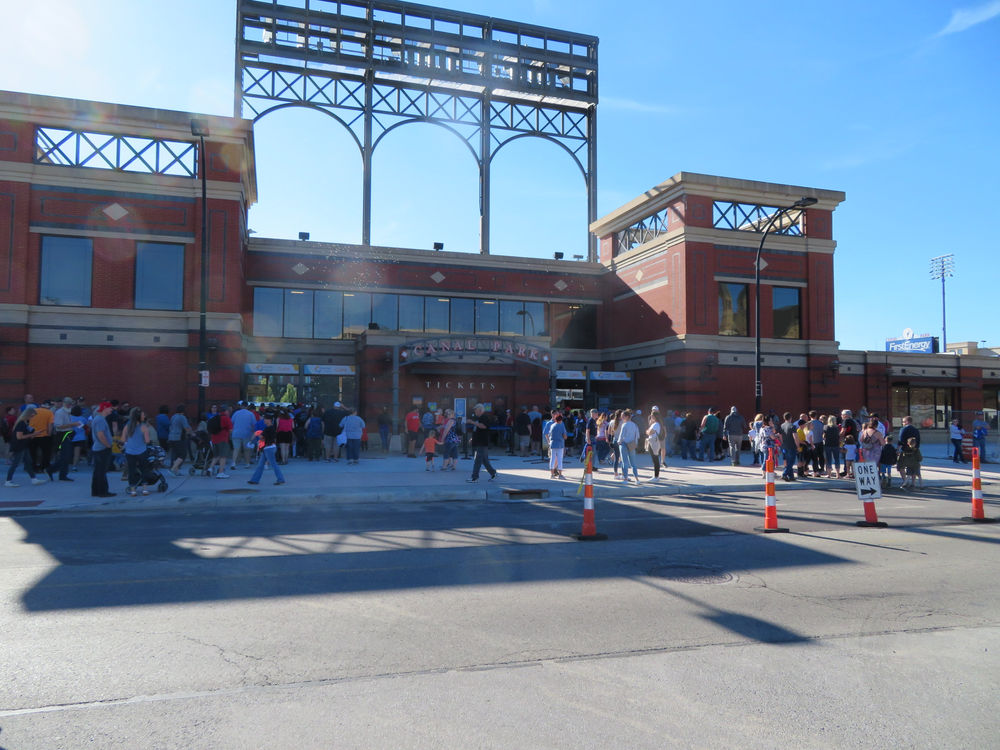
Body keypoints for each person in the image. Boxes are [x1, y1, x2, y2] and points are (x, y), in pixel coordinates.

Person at [5, 407, 47, 487]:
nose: (32, 417)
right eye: (32, 416)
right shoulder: (21, 423)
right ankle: (8, 480)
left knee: (28, 462)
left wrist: (34, 433)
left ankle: (33, 479)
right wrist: (33, 434)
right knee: (15, 463)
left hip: (23, 445)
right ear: (28, 415)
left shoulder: (25, 422)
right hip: (19, 446)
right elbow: (19, 437)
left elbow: (26, 433)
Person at [47, 396, 82, 482]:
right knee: (65, 455)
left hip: (68, 433)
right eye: (69, 403)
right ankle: (55, 471)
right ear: (65, 403)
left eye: (71, 403)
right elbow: (58, 426)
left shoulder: (69, 412)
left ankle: (59, 473)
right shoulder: (60, 413)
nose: (70, 405)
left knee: (66, 455)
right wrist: (72, 424)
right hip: (62, 435)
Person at [120, 407, 152, 496]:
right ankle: (145, 489)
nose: (144, 416)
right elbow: (147, 441)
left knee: (131, 471)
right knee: (144, 470)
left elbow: (123, 439)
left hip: (130, 452)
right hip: (142, 451)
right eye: (143, 415)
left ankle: (133, 490)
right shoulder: (143, 427)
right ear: (139, 416)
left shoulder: (127, 426)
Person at [247, 412, 285, 486]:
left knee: (273, 464)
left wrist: (257, 434)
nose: (264, 420)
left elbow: (262, 437)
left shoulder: (268, 428)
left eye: (265, 419)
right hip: (268, 448)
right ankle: (254, 480)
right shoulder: (271, 428)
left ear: (269, 420)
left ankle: (281, 479)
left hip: (269, 448)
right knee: (261, 465)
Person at [465, 404, 498, 482]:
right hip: (478, 441)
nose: (475, 411)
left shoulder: (484, 417)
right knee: (484, 460)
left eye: (476, 410)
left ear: (480, 410)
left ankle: (475, 477)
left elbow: (483, 426)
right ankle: (493, 473)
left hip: (482, 442)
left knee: (478, 460)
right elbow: (477, 429)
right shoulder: (479, 418)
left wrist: (472, 422)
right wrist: (473, 438)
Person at [90, 401, 116, 498]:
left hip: (99, 448)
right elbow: (100, 434)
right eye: (110, 408)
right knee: (101, 471)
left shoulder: (98, 419)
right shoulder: (100, 420)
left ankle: (96, 491)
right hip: (102, 449)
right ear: (105, 408)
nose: (111, 410)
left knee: (98, 471)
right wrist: (108, 445)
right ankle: (102, 492)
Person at [615, 409, 641, 483]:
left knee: (624, 462)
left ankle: (625, 478)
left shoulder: (624, 425)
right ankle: (637, 479)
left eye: (622, 416)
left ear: (627, 417)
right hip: (632, 444)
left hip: (624, 444)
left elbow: (621, 436)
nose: (621, 417)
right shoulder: (635, 425)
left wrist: (618, 443)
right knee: (633, 463)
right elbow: (637, 436)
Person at [208, 405, 235, 477]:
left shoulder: (216, 417)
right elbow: (230, 430)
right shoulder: (226, 418)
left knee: (216, 455)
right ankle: (220, 472)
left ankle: (210, 469)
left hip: (214, 438)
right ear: (226, 411)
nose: (229, 412)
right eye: (228, 411)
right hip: (223, 439)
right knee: (223, 456)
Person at [168, 404, 193, 476]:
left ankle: (176, 471)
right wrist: (192, 434)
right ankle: (172, 469)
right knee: (183, 454)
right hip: (178, 438)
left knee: (176, 454)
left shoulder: (173, 416)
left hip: (171, 437)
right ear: (183, 411)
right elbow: (186, 428)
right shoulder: (182, 417)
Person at [230, 402, 257, 468]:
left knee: (236, 449)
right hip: (247, 434)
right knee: (247, 449)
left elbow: (231, 422)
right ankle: (247, 463)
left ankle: (233, 463)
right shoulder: (251, 414)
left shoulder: (236, 413)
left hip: (236, 433)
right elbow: (254, 424)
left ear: (241, 406)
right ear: (247, 406)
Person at [779, 412, 799, 481]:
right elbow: (795, 437)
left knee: (787, 461)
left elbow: (780, 436)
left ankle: (791, 476)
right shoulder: (792, 426)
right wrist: (798, 445)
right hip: (792, 446)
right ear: (790, 418)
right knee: (791, 462)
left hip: (785, 446)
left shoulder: (782, 425)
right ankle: (784, 474)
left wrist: (782, 443)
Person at [547, 413, 567, 479]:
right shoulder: (561, 426)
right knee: (559, 460)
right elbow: (565, 436)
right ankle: (560, 475)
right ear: (561, 420)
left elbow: (549, 434)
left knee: (552, 459)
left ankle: (552, 474)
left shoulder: (552, 425)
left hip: (552, 444)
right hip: (560, 444)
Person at [645, 408, 663, 480]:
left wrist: (648, 431)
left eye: (652, 416)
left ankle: (656, 476)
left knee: (655, 459)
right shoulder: (655, 424)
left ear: (655, 417)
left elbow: (649, 432)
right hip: (653, 441)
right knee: (655, 459)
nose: (651, 417)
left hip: (653, 442)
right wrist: (648, 431)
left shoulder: (656, 424)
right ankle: (656, 476)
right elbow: (649, 431)